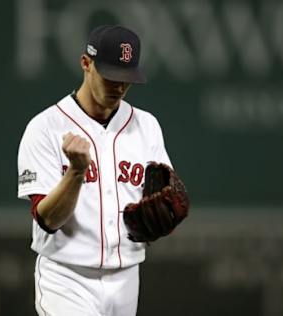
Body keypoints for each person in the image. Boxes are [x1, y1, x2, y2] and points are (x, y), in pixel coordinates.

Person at [17, 25, 174, 316]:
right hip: (67, 277)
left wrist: (159, 216)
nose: (118, 87)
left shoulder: (147, 126)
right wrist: (76, 172)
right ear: (86, 64)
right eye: (111, 76)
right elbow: (48, 219)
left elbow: (159, 204)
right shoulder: (45, 128)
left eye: (126, 79)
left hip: (127, 276)